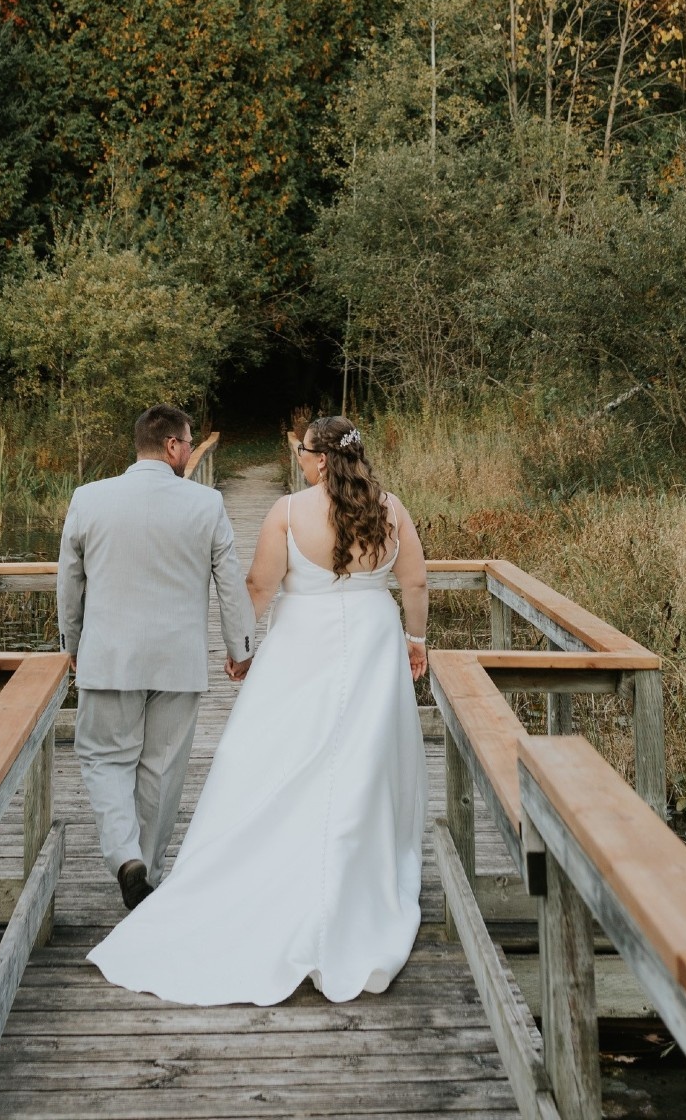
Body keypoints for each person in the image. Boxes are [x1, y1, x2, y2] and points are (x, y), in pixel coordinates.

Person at [88, 414, 430, 1004]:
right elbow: (416, 582)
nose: (297, 458)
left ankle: (278, 875)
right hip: (375, 643)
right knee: (364, 765)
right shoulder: (391, 510)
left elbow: (258, 586)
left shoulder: (288, 513)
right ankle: (359, 882)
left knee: (282, 756)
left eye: (302, 451)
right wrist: (416, 642)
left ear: (321, 459)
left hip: (302, 647)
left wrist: (241, 652)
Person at [57, 403, 256, 910]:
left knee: (104, 758)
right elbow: (230, 582)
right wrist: (241, 650)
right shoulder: (206, 505)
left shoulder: (89, 499)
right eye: (189, 443)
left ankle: (126, 858)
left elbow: (69, 583)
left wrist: (73, 643)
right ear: (172, 446)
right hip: (178, 660)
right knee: (163, 769)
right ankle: (148, 867)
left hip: (110, 655)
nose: (191, 452)